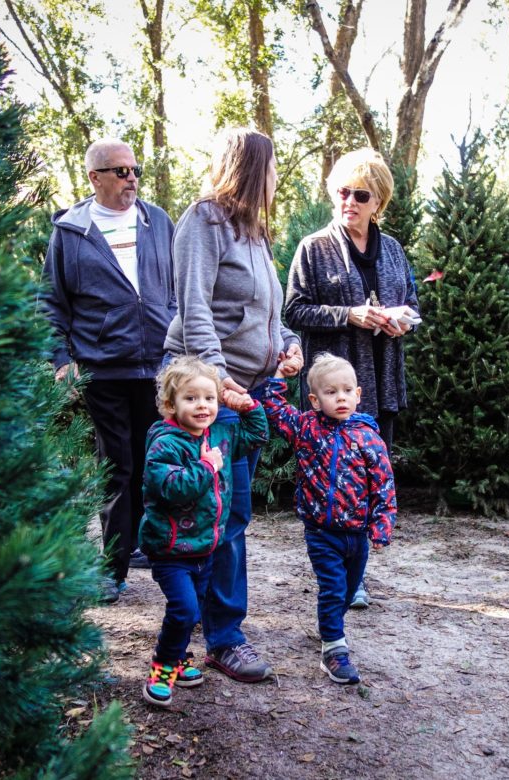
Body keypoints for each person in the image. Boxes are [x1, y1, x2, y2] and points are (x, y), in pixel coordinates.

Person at [164, 127, 303, 683]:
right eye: (270, 168)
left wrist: (289, 346)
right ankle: (221, 637)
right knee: (213, 513)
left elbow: (268, 315)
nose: (276, 179)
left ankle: (211, 625)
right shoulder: (204, 220)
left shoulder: (256, 233)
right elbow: (194, 309)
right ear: (250, 169)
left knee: (233, 514)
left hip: (246, 395)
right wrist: (218, 382)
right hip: (207, 394)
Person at [283, 147, 418, 609]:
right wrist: (350, 315)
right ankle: (336, 574)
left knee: (368, 479)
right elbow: (294, 309)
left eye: (361, 194)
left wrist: (402, 319)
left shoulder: (395, 251)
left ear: (378, 201)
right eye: (343, 192)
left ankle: (356, 573)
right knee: (332, 482)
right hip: (332, 387)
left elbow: (413, 303)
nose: (350, 201)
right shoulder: (314, 248)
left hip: (381, 382)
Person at [41, 138, 175, 601]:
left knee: (152, 463)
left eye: (135, 169)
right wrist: (62, 359)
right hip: (104, 368)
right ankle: (112, 569)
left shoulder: (157, 220)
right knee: (116, 466)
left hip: (158, 366)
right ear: (94, 178)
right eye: (120, 171)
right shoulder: (71, 231)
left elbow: (174, 287)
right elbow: (52, 302)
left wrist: (177, 342)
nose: (131, 178)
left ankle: (143, 545)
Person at [138, 356, 269, 706]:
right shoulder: (165, 443)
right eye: (191, 398)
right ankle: (162, 669)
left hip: (204, 548)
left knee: (192, 607)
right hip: (171, 549)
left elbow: (257, 434)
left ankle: (179, 659)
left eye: (209, 398)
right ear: (170, 405)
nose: (202, 406)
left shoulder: (221, 434)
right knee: (185, 611)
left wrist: (247, 404)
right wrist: (205, 466)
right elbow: (171, 488)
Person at [260, 353, 396, 684]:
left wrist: (381, 525)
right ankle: (334, 649)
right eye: (331, 392)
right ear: (315, 399)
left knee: (348, 591)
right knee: (333, 589)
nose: (341, 398)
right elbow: (275, 409)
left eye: (347, 391)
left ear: (358, 395)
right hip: (321, 531)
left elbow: (383, 484)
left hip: (357, 533)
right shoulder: (306, 428)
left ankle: (330, 624)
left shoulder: (367, 436)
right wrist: (279, 375)